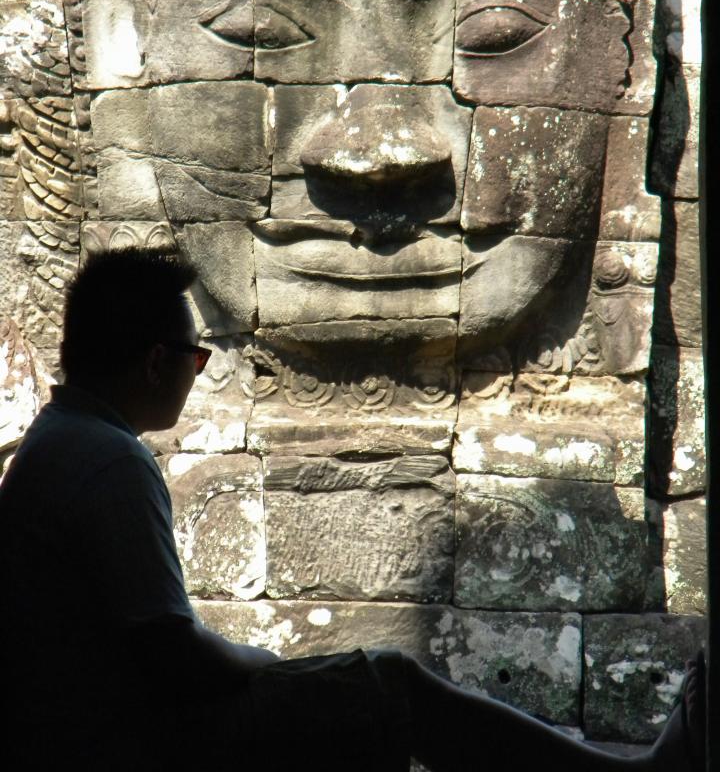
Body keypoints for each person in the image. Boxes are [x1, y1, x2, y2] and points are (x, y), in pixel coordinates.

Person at [0, 248, 705, 772]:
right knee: (385, 686)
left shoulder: (59, 442)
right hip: (126, 743)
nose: (196, 373)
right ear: (156, 362)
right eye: (196, 360)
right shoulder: (108, 459)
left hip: (82, 730)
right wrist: (261, 662)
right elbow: (174, 654)